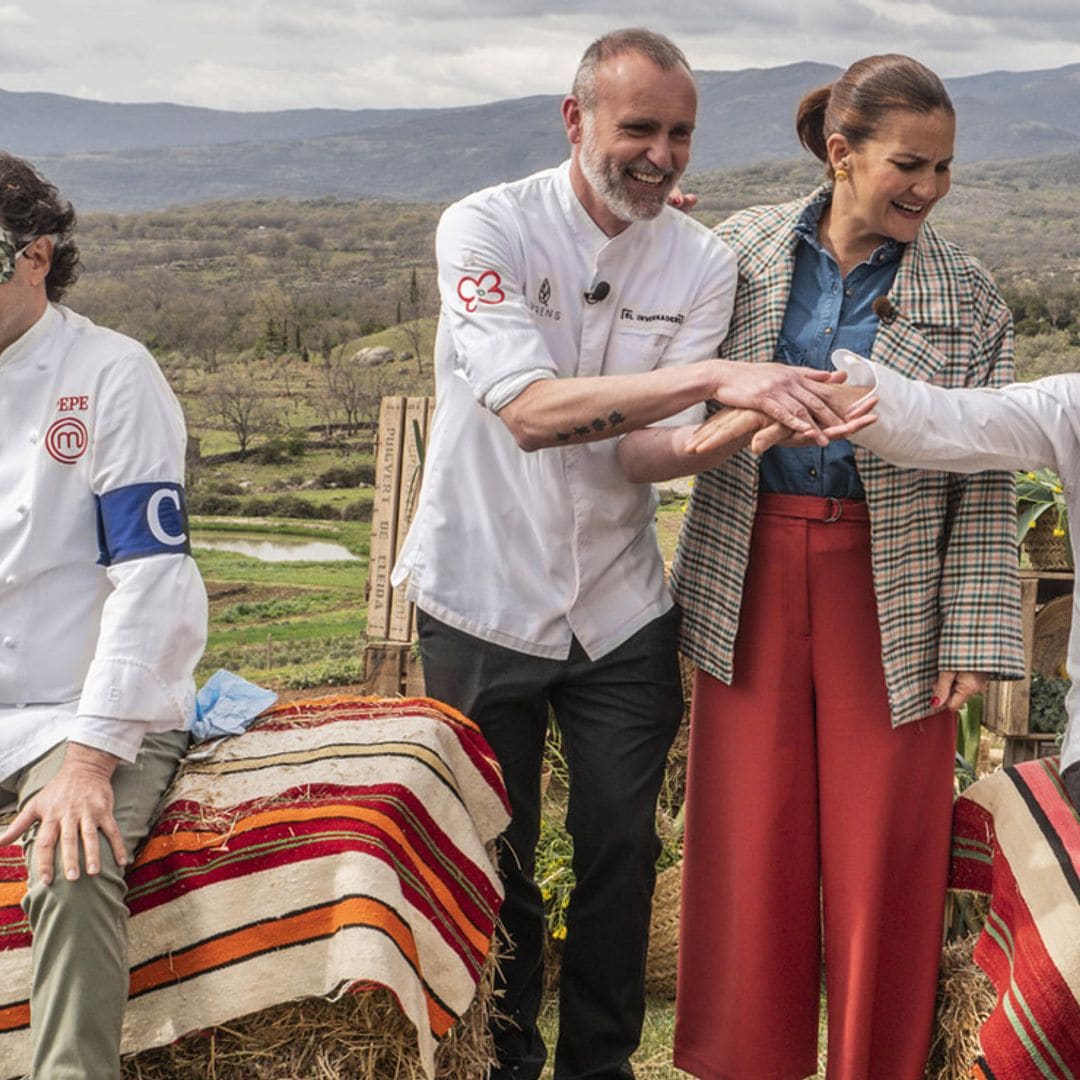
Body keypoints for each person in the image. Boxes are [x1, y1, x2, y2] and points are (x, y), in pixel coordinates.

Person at [390, 27, 864, 1080]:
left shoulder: (696, 261)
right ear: (576, 120)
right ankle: (502, 1059)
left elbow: (648, 452)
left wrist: (758, 415)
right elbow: (528, 412)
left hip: (618, 607)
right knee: (493, 854)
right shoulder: (485, 228)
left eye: (681, 134)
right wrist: (720, 378)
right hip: (480, 595)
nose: (660, 155)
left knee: (622, 851)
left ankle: (597, 1064)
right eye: (638, 128)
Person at [618, 54, 1026, 1080]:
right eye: (908, 164)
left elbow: (986, 475)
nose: (928, 188)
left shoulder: (970, 299)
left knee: (885, 843)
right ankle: (739, 1060)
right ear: (841, 154)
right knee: (745, 831)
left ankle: (873, 1066)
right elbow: (647, 343)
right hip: (743, 568)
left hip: (895, 592)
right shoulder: (738, 251)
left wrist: (974, 636)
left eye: (943, 169)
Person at [0, 153, 207, 1079]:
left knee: (72, 862)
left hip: (82, 703)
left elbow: (152, 582)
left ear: (34, 255)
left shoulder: (113, 374)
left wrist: (88, 760)